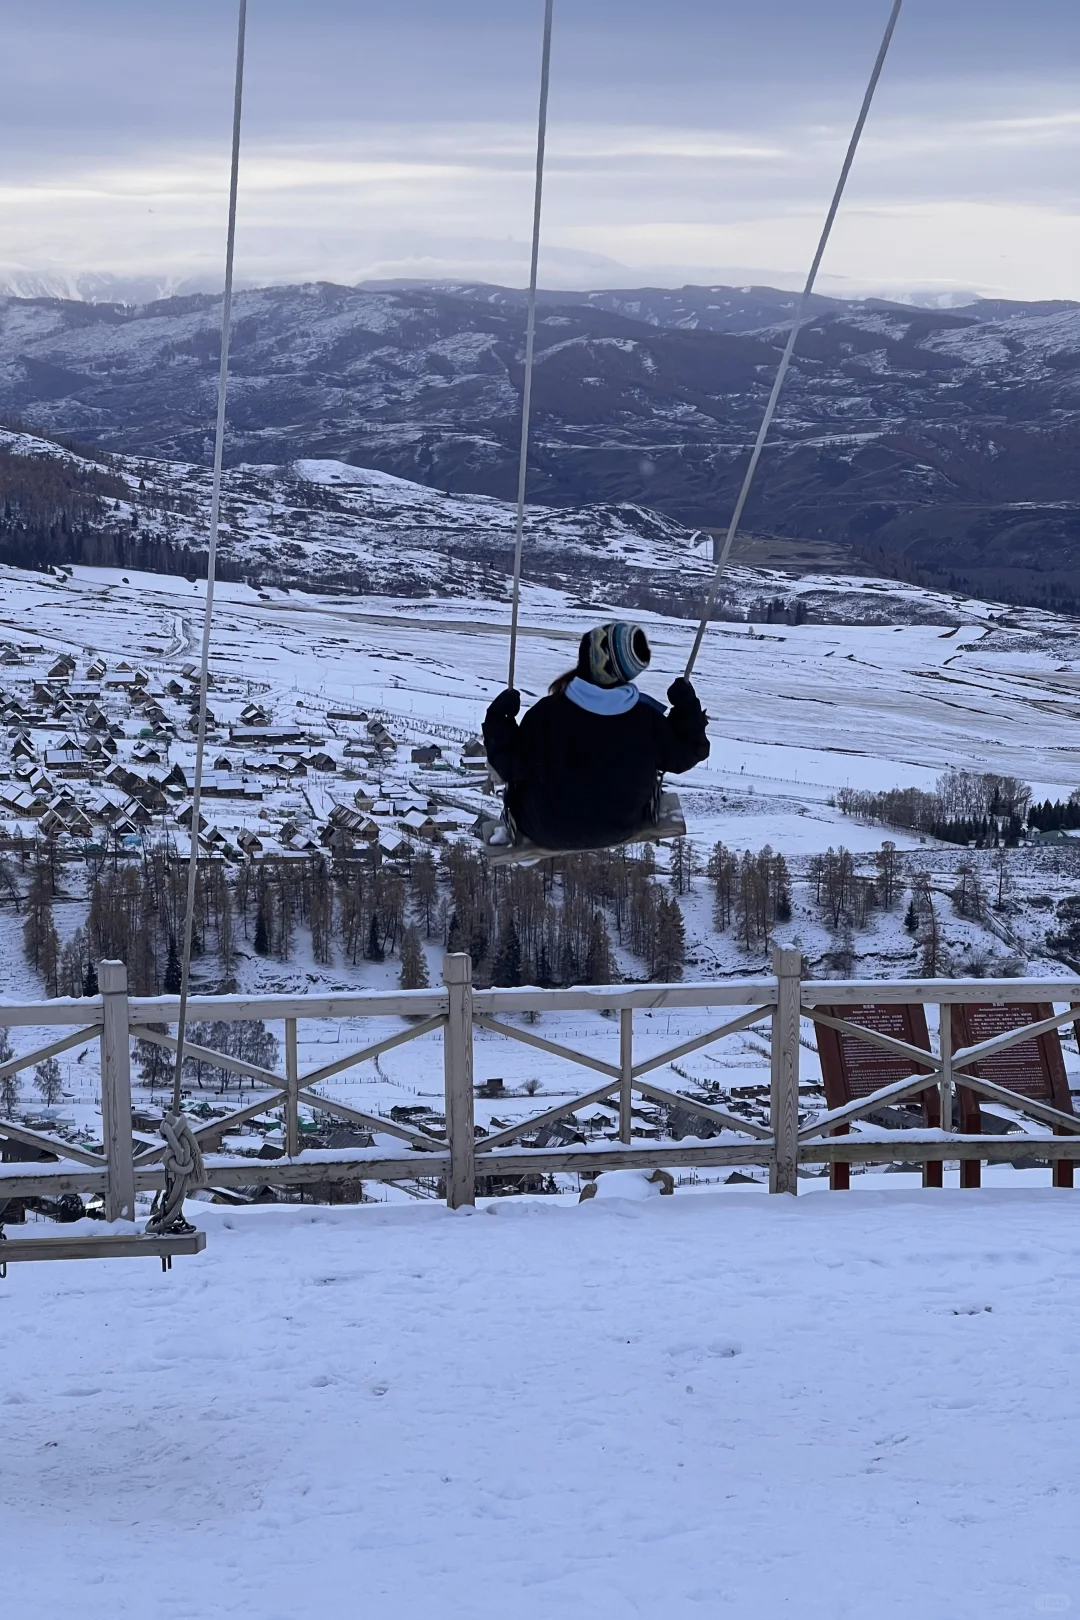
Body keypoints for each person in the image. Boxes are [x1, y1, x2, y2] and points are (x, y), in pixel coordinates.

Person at [482, 621, 709, 851]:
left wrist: (498, 718)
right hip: (620, 827)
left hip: (544, 829)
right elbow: (689, 750)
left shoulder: (546, 715)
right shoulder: (646, 720)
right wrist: (686, 705)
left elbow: (509, 763)